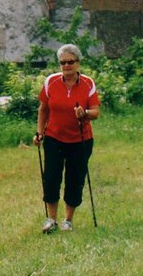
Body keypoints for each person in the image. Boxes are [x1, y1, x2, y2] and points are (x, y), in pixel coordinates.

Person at [33, 44, 100, 233]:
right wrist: (39, 132)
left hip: (81, 139)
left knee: (75, 179)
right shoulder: (51, 82)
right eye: (62, 62)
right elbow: (43, 109)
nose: (66, 65)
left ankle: (68, 220)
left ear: (78, 63)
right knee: (52, 177)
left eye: (70, 62)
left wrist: (84, 112)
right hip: (54, 137)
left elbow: (96, 112)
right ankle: (51, 220)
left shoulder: (87, 83)